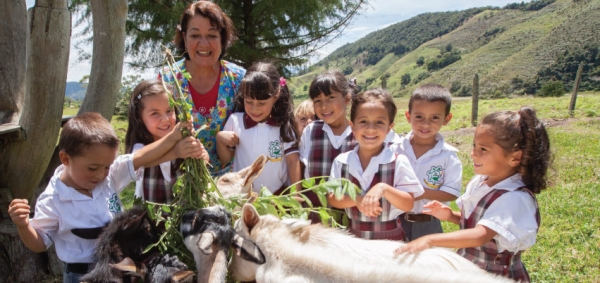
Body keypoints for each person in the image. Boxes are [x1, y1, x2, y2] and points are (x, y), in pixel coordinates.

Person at [7, 112, 197, 283]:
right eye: (92, 168)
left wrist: (174, 145)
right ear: (65, 159)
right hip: (81, 274)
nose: (100, 175)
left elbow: (141, 158)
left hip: (119, 268)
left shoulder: (109, 176)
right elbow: (39, 243)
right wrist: (24, 225)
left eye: (107, 167)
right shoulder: (53, 200)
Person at [395, 106, 551, 282]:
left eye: (483, 149)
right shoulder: (482, 182)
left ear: (514, 157)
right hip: (471, 270)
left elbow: (480, 235)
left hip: (495, 275)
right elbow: (480, 222)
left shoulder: (514, 197)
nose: (473, 153)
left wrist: (430, 240)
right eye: (474, 145)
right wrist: (451, 216)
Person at [160, 0, 246, 177]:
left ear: (222, 38)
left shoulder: (238, 79)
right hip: (180, 184)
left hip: (231, 185)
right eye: (195, 35)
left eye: (212, 35)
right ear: (184, 38)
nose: (204, 43)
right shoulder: (168, 80)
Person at [328, 88, 423, 240]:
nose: (370, 128)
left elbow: (408, 204)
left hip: (389, 240)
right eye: (363, 121)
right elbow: (332, 198)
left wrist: (383, 188)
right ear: (352, 126)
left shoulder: (398, 161)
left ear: (390, 127)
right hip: (354, 239)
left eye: (379, 122)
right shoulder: (342, 161)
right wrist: (356, 199)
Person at [216, 62, 301, 194]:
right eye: (249, 101)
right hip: (242, 198)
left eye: (261, 103)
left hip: (277, 198)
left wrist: (296, 195)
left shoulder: (284, 126)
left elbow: (292, 161)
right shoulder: (235, 121)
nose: (254, 108)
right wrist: (220, 139)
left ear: (276, 94)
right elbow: (225, 159)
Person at [395, 84, 462, 241]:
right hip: (394, 221)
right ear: (408, 116)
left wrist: (417, 193)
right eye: (419, 117)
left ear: (446, 119)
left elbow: (451, 193)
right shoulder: (394, 150)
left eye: (434, 118)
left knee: (428, 264)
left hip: (429, 224)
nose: (425, 124)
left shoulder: (448, 156)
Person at [125, 79, 208, 203]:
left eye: (169, 111)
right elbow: (139, 161)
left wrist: (199, 153)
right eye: (155, 113)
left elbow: (205, 160)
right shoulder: (141, 145)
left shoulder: (183, 139)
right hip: (150, 218)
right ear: (139, 116)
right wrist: (175, 149)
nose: (165, 120)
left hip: (186, 214)